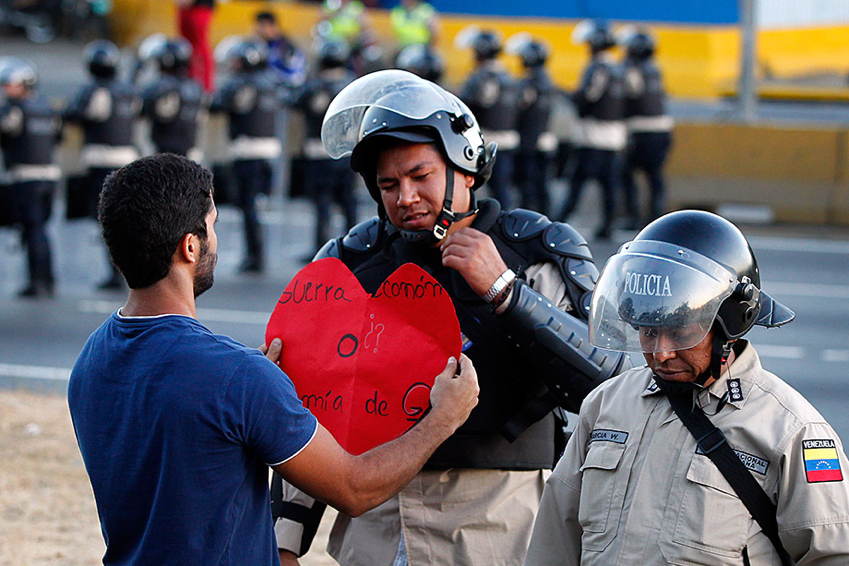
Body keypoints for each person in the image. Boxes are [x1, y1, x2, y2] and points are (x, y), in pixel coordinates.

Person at [272, 69, 628, 566]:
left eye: (421, 176)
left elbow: (611, 382)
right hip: (375, 517)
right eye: (389, 184)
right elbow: (307, 407)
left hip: (495, 521)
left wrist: (506, 291)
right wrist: (285, 540)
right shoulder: (351, 262)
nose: (406, 197)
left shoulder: (536, 250)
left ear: (465, 169)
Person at [68, 153, 480, 565]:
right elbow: (355, 490)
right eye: (213, 226)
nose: (216, 240)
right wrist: (444, 417)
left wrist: (263, 396)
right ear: (190, 247)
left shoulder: (92, 358)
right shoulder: (236, 377)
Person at [524, 209, 849, 565]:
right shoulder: (607, 404)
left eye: (680, 333)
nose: (661, 353)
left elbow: (831, 554)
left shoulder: (791, 429)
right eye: (648, 332)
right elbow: (555, 541)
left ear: (728, 327)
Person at [64, 39, 141, 289]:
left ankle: (116, 272)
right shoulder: (128, 90)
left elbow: (79, 114)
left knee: (109, 221)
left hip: (101, 160)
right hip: (128, 158)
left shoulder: (97, 91)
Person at [211, 38, 282, 273]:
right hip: (269, 152)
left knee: (248, 206)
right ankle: (257, 253)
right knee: (257, 205)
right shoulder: (270, 83)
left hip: (246, 151)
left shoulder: (240, 84)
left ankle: (255, 255)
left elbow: (218, 104)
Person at [557, 19, 625, 240]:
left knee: (577, 182)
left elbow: (587, 99)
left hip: (592, 136)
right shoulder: (619, 68)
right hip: (615, 137)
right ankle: (608, 225)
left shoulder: (597, 68)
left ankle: (560, 221)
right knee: (609, 186)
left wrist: (567, 95)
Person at [288, 39, 357, 257]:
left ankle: (322, 249)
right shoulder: (352, 85)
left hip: (319, 152)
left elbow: (293, 100)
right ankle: (356, 245)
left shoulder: (314, 86)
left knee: (322, 203)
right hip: (348, 152)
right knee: (348, 202)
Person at [0, 58, 61, 298]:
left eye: (9, 84)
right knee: (40, 229)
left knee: (33, 229)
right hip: (49, 176)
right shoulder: (47, 108)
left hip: (25, 177)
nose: (6, 90)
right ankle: (46, 279)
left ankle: (38, 281)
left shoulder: (14, 111)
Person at [458, 28, 519, 209]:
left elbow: (467, 107)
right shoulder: (508, 76)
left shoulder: (480, 77)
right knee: (502, 188)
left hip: (485, 140)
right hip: (508, 139)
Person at [619, 28, 673, 229]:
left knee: (626, 174)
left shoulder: (632, 70)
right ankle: (656, 217)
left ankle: (634, 216)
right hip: (662, 129)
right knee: (655, 176)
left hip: (640, 130)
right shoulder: (654, 69)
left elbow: (627, 97)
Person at [507, 34, 557, 216]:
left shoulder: (530, 82)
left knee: (528, 183)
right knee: (541, 183)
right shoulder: (546, 80)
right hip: (544, 136)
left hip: (529, 138)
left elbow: (520, 108)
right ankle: (547, 215)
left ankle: (528, 217)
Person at [140, 36, 205, 160]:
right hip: (190, 150)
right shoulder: (195, 86)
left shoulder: (162, 86)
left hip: (165, 151)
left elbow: (143, 107)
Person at [254, 10, 308, 89]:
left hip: (288, 88)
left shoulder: (284, 46)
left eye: (262, 26)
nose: (258, 30)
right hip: (275, 85)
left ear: (273, 26)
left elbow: (295, 74)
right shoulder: (266, 43)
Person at [176, 0, 215, 92]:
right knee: (185, 45)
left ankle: (206, 85)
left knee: (200, 45)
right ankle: (188, 79)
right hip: (184, 6)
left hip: (201, 6)